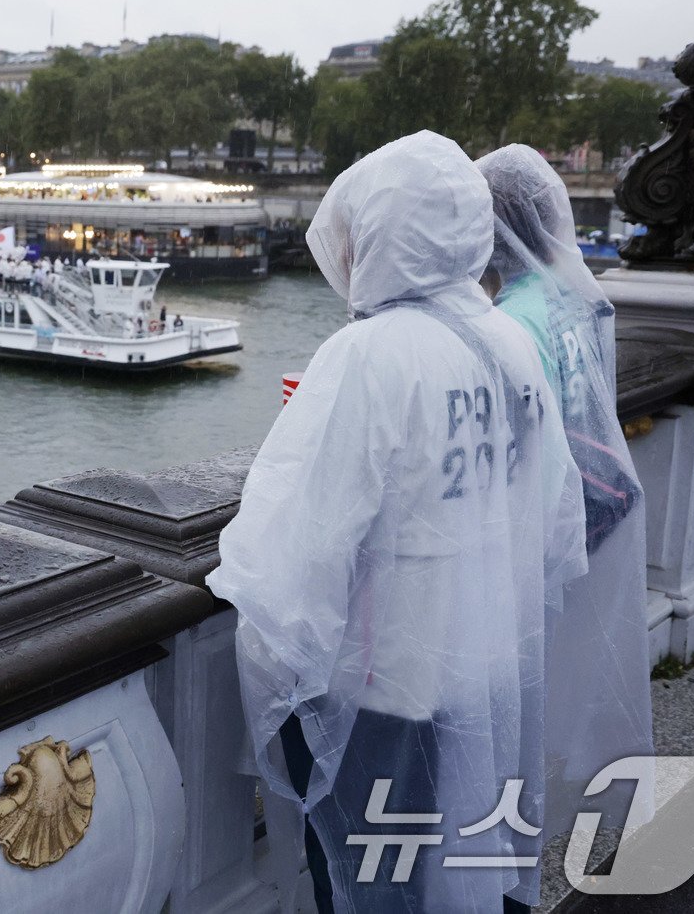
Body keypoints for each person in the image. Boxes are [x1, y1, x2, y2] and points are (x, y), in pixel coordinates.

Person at [207, 131, 587, 913]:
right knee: (442, 854)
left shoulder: (367, 355)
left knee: (368, 870)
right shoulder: (507, 342)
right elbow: (553, 516)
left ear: (386, 230)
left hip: (379, 682)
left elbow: (294, 549)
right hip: (476, 662)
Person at [477, 144, 653, 838]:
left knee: (523, 687)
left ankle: (510, 811)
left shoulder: (512, 319)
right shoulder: (574, 294)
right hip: (596, 508)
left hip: (545, 528)